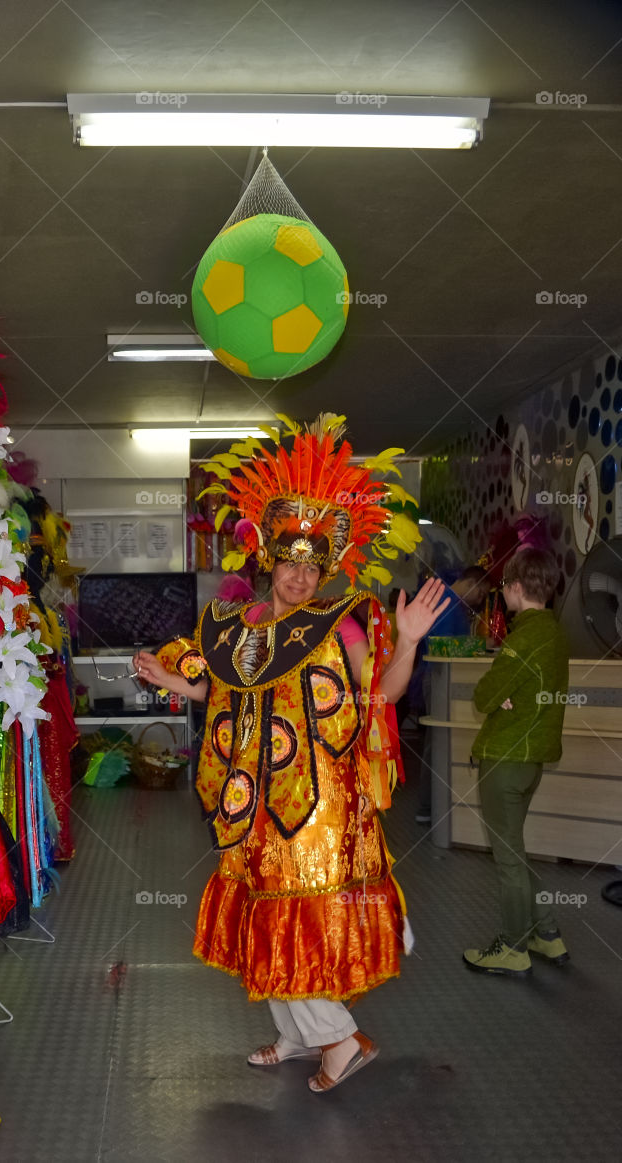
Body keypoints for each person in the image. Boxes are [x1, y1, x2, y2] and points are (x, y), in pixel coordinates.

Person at [134, 415, 448, 1094]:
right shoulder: (238, 626)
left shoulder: (341, 626)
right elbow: (216, 686)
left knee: (290, 909)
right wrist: (170, 680)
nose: (302, 576)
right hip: (252, 795)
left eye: (313, 565)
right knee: (260, 905)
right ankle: (299, 1032)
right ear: (268, 561)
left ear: (324, 570)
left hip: (314, 804)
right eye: (291, 562)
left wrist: (412, 641)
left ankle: (339, 1038)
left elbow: (381, 697)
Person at [463, 548, 570, 976]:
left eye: (505, 586)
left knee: (507, 859)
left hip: (505, 758)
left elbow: (484, 695)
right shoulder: (555, 633)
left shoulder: (523, 637)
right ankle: (546, 933)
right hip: (532, 760)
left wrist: (500, 698)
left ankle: (512, 946)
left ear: (517, 588)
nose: (502, 593)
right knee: (516, 851)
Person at [414, 565, 493, 824]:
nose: (481, 600)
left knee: (438, 740)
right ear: (472, 583)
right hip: (438, 679)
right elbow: (441, 646)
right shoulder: (446, 602)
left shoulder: (450, 602)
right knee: (436, 742)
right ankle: (427, 807)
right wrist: (481, 645)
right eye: (481, 593)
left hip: (442, 678)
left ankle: (432, 805)